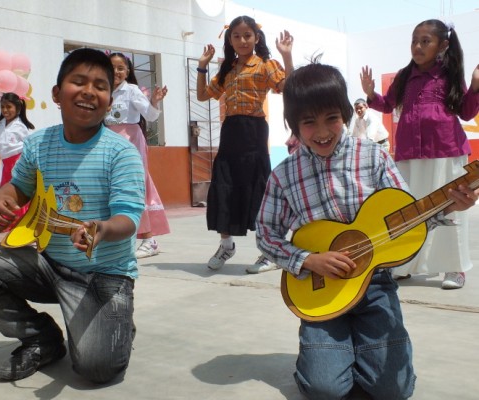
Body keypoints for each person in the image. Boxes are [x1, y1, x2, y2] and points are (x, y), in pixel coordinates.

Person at [255, 60, 479, 399]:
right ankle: (327, 356)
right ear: (293, 124)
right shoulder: (284, 176)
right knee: (325, 389)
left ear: (346, 113)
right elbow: (266, 235)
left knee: (395, 390)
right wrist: (308, 260)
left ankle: (355, 350)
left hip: (375, 284)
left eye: (331, 117)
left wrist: (448, 205)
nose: (322, 131)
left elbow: (406, 218)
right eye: (309, 122)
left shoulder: (373, 157)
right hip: (323, 289)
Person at [0, 48, 145, 384]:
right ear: (57, 94)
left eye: (100, 86)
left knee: (97, 369)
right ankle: (41, 338)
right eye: (78, 81)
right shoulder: (38, 143)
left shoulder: (121, 153)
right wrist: (1, 198)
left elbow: (128, 219)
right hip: (48, 265)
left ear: (110, 99)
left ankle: (115, 321)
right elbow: (19, 188)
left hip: (104, 275)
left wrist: (101, 229)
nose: (89, 91)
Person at [361, 19, 479, 289]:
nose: (417, 46)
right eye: (415, 40)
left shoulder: (450, 74)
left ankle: (455, 268)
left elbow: (466, 112)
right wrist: (370, 94)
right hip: (409, 153)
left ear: (443, 45)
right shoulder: (404, 75)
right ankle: (405, 264)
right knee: (410, 211)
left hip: (445, 152)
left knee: (450, 209)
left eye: (425, 41)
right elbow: (388, 105)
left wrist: (474, 87)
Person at [196, 15, 294, 274]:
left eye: (247, 35)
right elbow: (203, 95)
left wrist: (287, 56)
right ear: (230, 40)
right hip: (230, 131)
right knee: (224, 185)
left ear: (256, 38)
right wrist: (202, 67)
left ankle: (268, 252)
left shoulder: (265, 64)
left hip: (254, 132)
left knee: (259, 190)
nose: (242, 40)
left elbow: (289, 87)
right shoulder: (227, 68)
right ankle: (226, 245)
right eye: (236, 36)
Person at [105, 52, 170, 259]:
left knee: (135, 186)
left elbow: (150, 115)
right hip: (107, 142)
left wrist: (155, 101)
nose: (116, 71)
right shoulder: (103, 89)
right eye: (112, 67)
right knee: (112, 187)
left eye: (121, 68)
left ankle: (149, 239)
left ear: (128, 71)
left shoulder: (131, 90)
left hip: (131, 142)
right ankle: (121, 236)